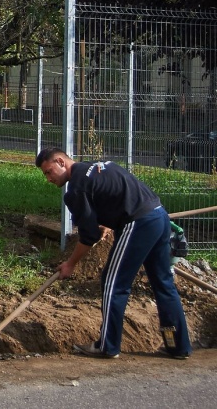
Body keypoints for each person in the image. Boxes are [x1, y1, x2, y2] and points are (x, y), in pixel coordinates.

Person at [35, 147, 192, 359]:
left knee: (113, 283)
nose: (48, 179)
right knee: (163, 282)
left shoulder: (77, 188)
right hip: (159, 216)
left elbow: (88, 236)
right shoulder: (98, 166)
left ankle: (107, 346)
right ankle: (178, 346)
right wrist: (107, 223)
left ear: (61, 162)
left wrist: (71, 264)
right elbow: (115, 193)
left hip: (138, 223)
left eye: (48, 172)